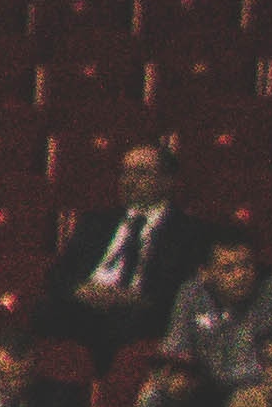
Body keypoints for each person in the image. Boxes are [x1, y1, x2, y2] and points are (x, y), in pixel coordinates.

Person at [149, 226, 272, 407]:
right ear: (205, 273)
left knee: (246, 399)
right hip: (205, 389)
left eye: (246, 265)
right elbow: (176, 345)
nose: (240, 275)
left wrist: (208, 378)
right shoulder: (190, 293)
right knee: (152, 398)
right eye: (228, 269)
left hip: (254, 388)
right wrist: (174, 374)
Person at [52, 141, 195, 350]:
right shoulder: (95, 222)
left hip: (140, 312)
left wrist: (133, 298)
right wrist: (80, 289)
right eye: (125, 173)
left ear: (167, 181)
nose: (130, 181)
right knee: (47, 312)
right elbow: (59, 273)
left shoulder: (186, 231)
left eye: (141, 173)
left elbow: (180, 288)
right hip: (85, 306)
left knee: (126, 323)